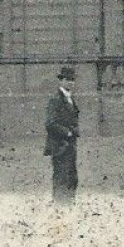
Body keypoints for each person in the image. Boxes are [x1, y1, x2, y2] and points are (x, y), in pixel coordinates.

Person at [44, 66, 81, 203]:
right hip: (59, 146)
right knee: (61, 177)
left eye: (72, 80)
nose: (70, 83)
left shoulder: (70, 98)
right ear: (61, 81)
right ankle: (60, 208)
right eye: (67, 80)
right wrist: (69, 132)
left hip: (70, 146)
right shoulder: (55, 100)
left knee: (72, 177)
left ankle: (69, 204)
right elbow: (50, 124)